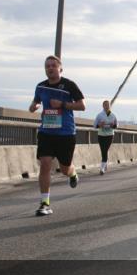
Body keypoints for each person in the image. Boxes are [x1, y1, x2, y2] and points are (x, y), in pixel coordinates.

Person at [29, 55, 85, 216]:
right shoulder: (40, 87)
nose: (50, 68)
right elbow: (36, 102)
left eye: (53, 65)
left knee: (64, 168)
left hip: (66, 133)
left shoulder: (69, 85)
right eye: (47, 66)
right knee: (45, 163)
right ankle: (44, 203)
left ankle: (73, 174)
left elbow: (82, 105)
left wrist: (63, 104)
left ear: (60, 68)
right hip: (46, 131)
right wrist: (34, 105)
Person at [93, 100, 118, 174]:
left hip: (110, 135)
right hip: (101, 135)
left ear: (110, 106)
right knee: (103, 150)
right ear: (103, 106)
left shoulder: (113, 115)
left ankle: (102, 169)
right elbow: (94, 125)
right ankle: (105, 163)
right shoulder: (99, 115)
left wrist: (113, 125)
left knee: (105, 150)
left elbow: (116, 125)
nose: (107, 106)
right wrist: (99, 125)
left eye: (108, 105)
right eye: (105, 105)